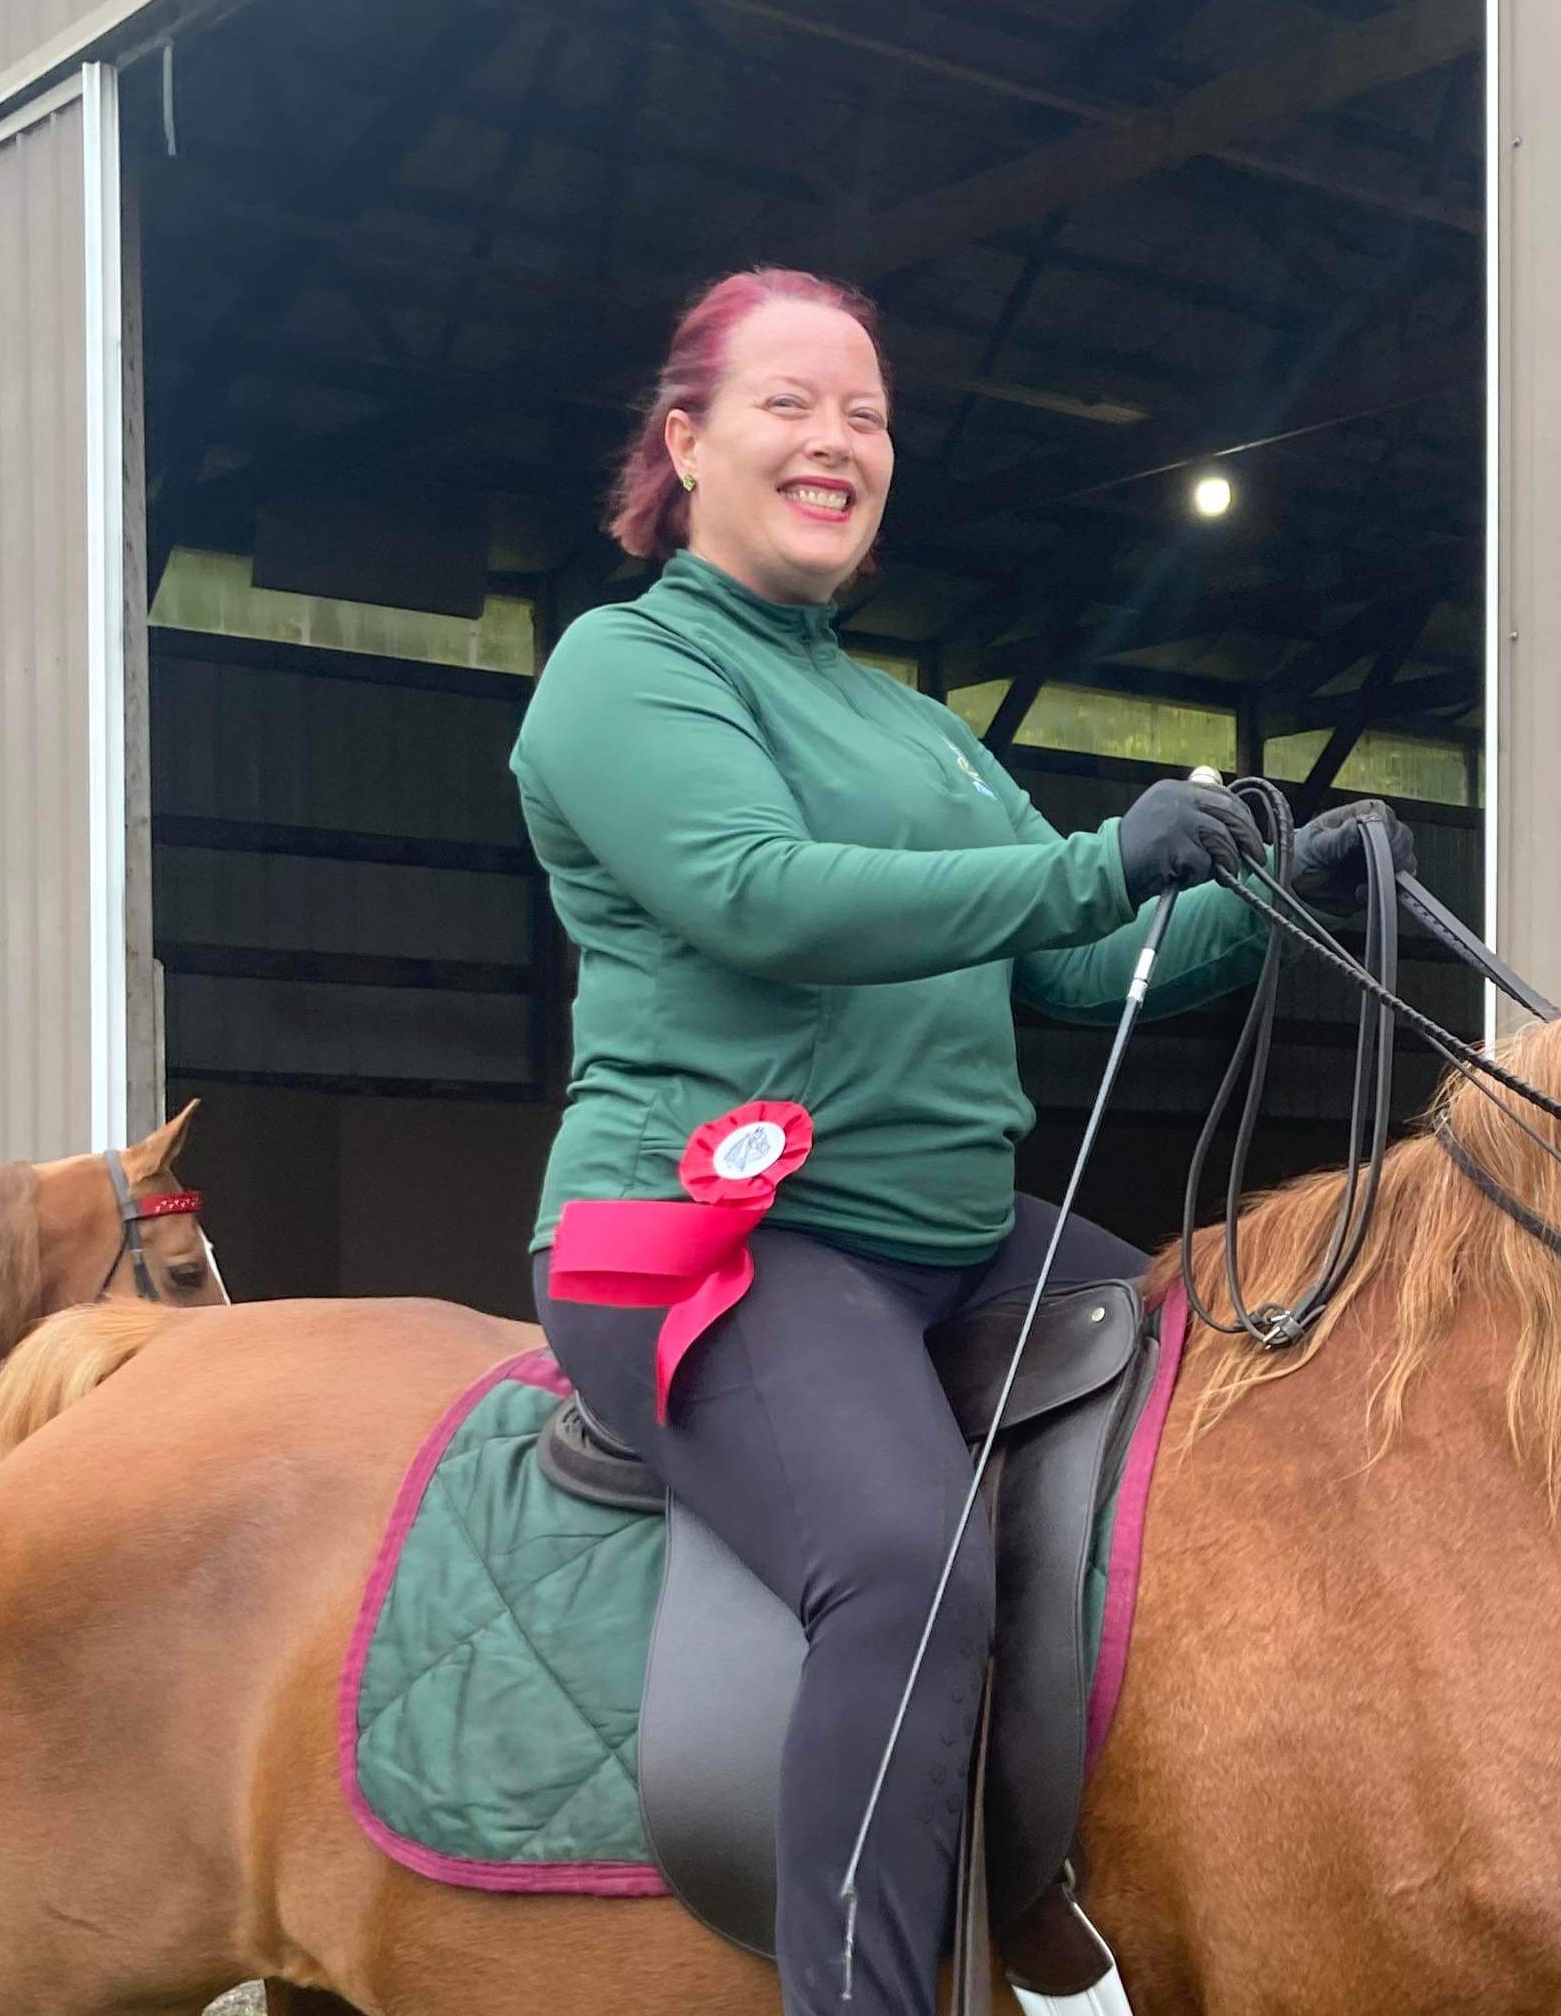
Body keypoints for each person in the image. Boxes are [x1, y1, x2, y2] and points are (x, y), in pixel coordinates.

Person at [512, 266, 1407, 2014]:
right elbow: (754, 895)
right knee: (904, 1575)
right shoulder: (623, 669)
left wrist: (1280, 898)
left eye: (865, 415)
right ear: (684, 442)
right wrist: (1096, 859)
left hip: (951, 1235)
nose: (835, 441)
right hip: (716, 1246)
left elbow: (1071, 964)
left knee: (1248, 1402)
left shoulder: (916, 727)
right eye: (789, 404)